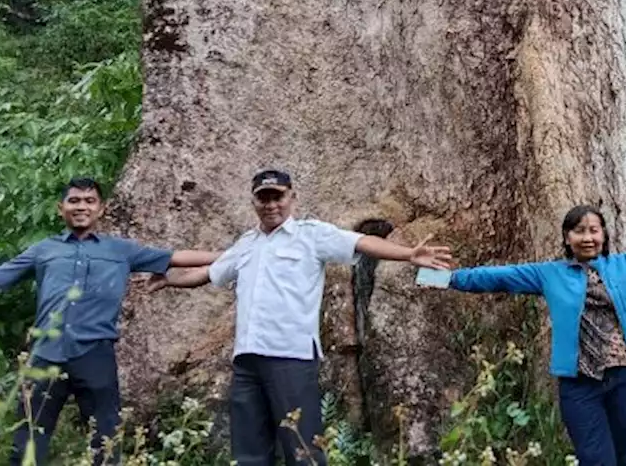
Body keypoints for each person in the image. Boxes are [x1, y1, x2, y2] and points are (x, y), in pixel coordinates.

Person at [154, 169, 454, 466]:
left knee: (302, 448)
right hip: (247, 359)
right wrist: (169, 280)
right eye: (264, 198)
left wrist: (407, 254)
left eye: (278, 197)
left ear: (292, 197)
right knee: (249, 451)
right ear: (254, 203)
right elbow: (209, 272)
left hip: (290, 356)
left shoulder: (311, 235)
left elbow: (360, 242)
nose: (271, 204)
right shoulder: (247, 244)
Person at [438, 203, 626, 466]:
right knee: (596, 459)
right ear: (567, 238)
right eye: (580, 231)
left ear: (604, 234)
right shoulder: (549, 273)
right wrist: (436, 277)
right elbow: (492, 278)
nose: (588, 237)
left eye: (594, 230)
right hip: (579, 384)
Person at [0, 176, 219, 466]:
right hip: (45, 355)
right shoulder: (44, 250)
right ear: (61, 208)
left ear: (101, 209)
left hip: (95, 355)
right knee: (25, 446)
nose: (81, 206)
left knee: (106, 444)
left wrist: (234, 255)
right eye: (74, 200)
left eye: (89, 201)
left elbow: (176, 257)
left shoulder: (121, 250)